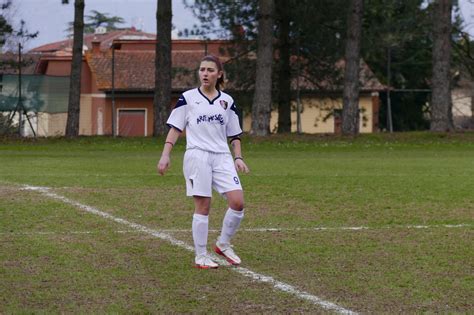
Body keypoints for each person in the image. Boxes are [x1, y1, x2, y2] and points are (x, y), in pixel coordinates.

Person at [157, 55, 250, 269]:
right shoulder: (188, 98)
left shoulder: (227, 101)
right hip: (197, 156)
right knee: (203, 205)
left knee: (238, 202)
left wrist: (238, 157)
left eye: (209, 70)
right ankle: (200, 255)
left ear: (219, 74)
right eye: (202, 70)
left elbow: (234, 134)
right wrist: (165, 154)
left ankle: (223, 244)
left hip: (222, 157)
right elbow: (175, 128)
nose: (205, 74)